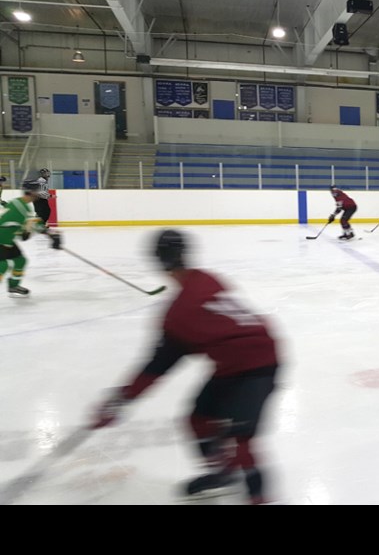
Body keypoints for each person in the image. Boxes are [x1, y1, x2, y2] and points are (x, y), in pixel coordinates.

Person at [91, 229, 283, 504]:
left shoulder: (179, 314)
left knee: (241, 438)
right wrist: (121, 399)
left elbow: (156, 368)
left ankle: (259, 498)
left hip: (259, 366)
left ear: (158, 261)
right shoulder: (208, 278)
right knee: (198, 419)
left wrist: (121, 400)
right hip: (240, 362)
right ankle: (223, 473)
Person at [0, 180, 60, 297]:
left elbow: (22, 228)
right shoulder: (22, 208)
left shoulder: (19, 204)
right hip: (1, 240)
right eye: (38, 191)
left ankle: (13, 286)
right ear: (31, 192)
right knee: (2, 265)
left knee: (20, 261)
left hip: (7, 240)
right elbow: (32, 225)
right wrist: (50, 234)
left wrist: (48, 233)